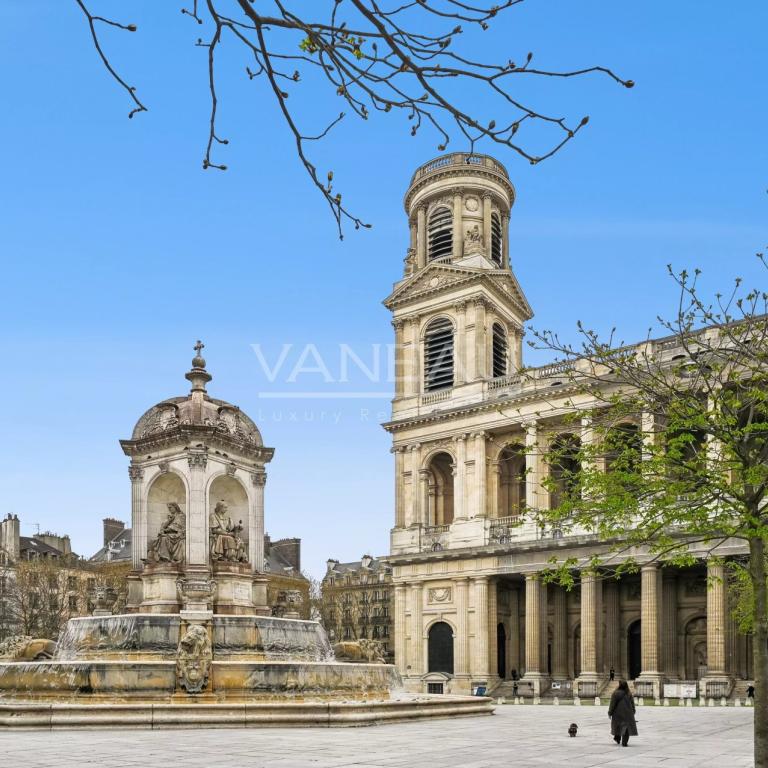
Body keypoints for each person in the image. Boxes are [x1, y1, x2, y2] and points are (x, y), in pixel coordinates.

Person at [608, 679, 638, 747]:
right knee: (626, 727)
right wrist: (633, 711)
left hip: (617, 713)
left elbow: (612, 704)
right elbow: (632, 704)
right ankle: (624, 742)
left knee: (618, 726)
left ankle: (617, 738)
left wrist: (610, 713)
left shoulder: (615, 693)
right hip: (628, 713)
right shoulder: (629, 693)